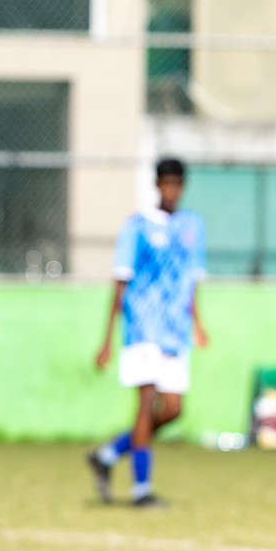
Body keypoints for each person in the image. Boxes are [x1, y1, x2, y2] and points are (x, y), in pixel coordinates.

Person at [87, 158, 209, 506]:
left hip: (175, 330)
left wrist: (197, 322)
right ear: (157, 186)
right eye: (165, 184)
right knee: (146, 405)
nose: (170, 191)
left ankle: (109, 455)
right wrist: (106, 340)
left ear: (182, 187)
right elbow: (121, 281)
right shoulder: (137, 226)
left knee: (173, 409)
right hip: (142, 327)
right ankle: (142, 490)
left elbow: (192, 279)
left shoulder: (192, 226)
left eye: (176, 185)